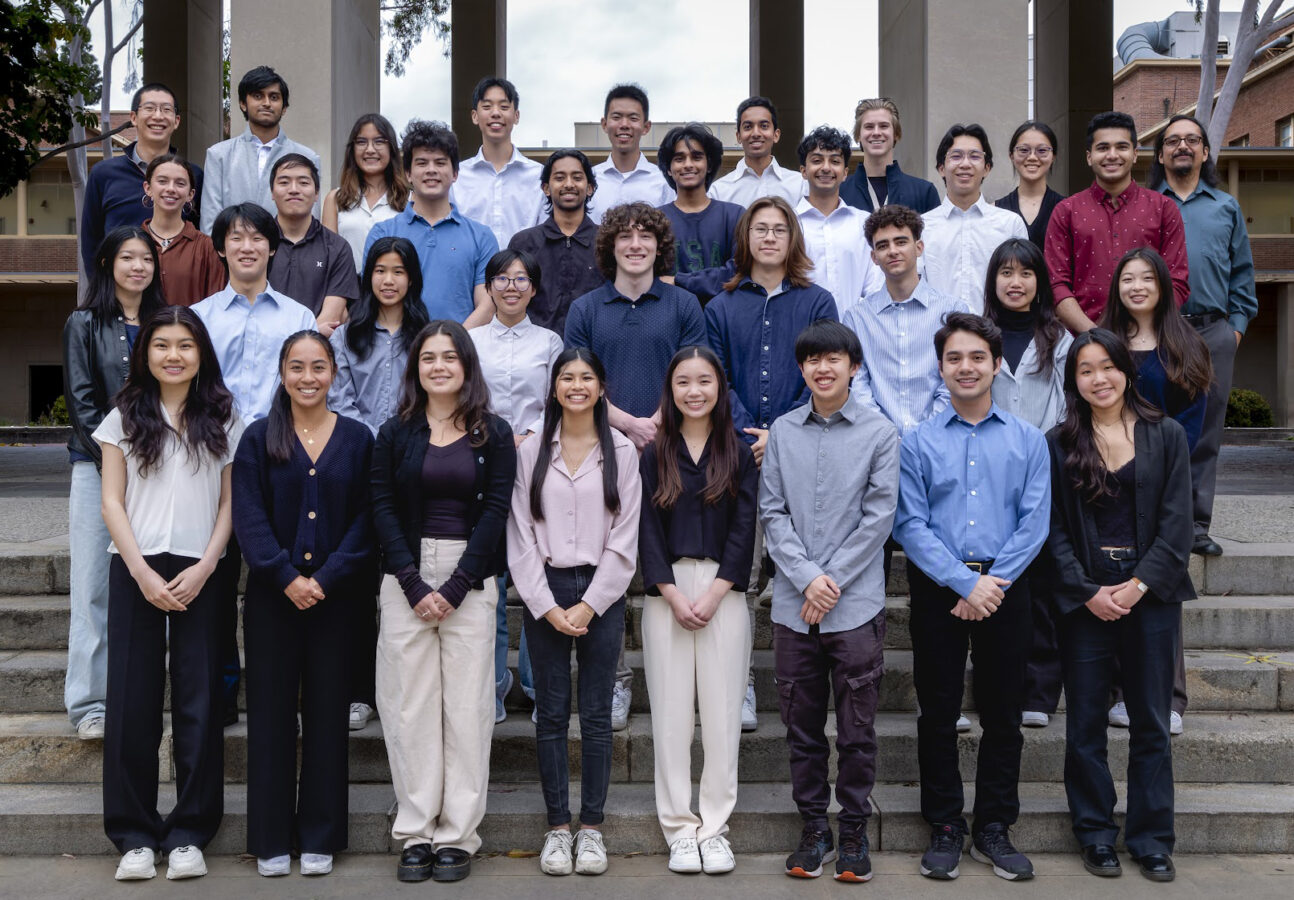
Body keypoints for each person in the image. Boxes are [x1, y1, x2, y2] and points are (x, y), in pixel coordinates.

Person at [894, 312, 1050, 882]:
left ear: (995, 364)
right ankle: (943, 824)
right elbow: (909, 524)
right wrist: (964, 583)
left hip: (1008, 586)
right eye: (955, 358)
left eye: (977, 357)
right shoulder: (917, 441)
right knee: (937, 711)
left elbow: (1035, 524)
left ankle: (993, 826)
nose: (966, 367)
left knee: (1004, 712)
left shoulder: (1028, 439)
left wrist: (991, 584)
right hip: (939, 587)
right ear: (941, 367)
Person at [97, 307, 242, 882]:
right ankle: (133, 834)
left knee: (200, 701)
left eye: (185, 344)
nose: (174, 355)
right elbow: (111, 501)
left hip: (200, 568)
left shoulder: (223, 416)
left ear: (201, 352)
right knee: (131, 702)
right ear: (146, 354)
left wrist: (209, 563)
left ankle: (188, 832)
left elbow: (231, 502)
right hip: (135, 566)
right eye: (162, 345)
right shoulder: (123, 416)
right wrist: (141, 571)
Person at [371, 321, 516, 884]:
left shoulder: (493, 433)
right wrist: (411, 582)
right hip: (403, 572)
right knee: (409, 706)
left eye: (449, 357)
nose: (438, 366)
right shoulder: (395, 433)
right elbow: (382, 505)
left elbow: (496, 510)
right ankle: (415, 830)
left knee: (467, 709)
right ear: (416, 368)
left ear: (466, 366)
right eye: (428, 357)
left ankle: (457, 834)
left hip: (471, 579)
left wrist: (456, 586)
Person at [1047, 329, 1194, 884]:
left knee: (1152, 722)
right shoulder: (1058, 443)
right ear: (1074, 382)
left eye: (1107, 367)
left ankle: (1152, 838)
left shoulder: (1168, 435)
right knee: (1084, 722)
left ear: (1126, 372)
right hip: (1086, 596)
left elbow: (1178, 523)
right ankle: (1094, 834)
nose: (1099, 378)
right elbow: (1053, 529)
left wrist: (1137, 587)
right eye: (1086, 370)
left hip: (1150, 596)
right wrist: (1087, 592)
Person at [233, 331, 375, 878]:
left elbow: (368, 518)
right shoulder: (256, 439)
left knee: (326, 717)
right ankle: (269, 837)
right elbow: (249, 516)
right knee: (270, 718)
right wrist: (285, 575)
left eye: (318, 367)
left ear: (334, 373)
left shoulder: (359, 439)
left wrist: (329, 575)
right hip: (273, 600)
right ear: (283, 373)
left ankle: (320, 834)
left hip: (338, 602)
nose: (308, 377)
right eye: (297, 367)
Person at [760, 320, 897, 882]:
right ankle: (814, 827)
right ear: (802, 368)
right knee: (803, 727)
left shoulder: (879, 433)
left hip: (855, 606)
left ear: (854, 367)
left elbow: (879, 516)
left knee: (857, 727)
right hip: (795, 608)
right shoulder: (783, 431)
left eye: (834, 359)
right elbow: (772, 512)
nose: (823, 368)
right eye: (812, 359)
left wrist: (829, 581)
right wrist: (806, 579)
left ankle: (856, 829)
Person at [565, 202, 704, 729]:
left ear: (658, 246)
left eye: (646, 236)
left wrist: (658, 423)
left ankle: (688, 681)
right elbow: (575, 384)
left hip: (673, 453)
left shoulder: (684, 304)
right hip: (604, 451)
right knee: (611, 572)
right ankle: (616, 684)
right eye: (625, 236)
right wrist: (630, 424)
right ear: (611, 246)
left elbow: (697, 376)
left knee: (671, 566)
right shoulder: (586, 309)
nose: (636, 244)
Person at [705, 195, 839, 731]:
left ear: (792, 239)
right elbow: (713, 378)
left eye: (778, 229)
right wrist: (750, 434)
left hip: (805, 452)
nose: (768, 238)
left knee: (801, 567)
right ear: (745, 239)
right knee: (738, 573)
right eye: (758, 229)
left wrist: (780, 433)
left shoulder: (817, 301)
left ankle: (807, 681)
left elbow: (827, 371)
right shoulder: (721, 306)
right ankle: (740, 683)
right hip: (734, 455)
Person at [505, 348, 641, 878]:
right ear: (554, 386)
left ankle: (592, 830)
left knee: (599, 716)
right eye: (567, 377)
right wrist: (545, 604)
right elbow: (519, 534)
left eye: (587, 377)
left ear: (602, 387)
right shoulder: (531, 449)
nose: (577, 385)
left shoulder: (623, 451)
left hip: (602, 592)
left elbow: (626, 537)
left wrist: (589, 603)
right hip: (547, 586)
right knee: (552, 714)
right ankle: (557, 828)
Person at [638, 346, 757, 875]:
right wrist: (668, 591)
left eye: (704, 380)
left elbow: (746, 526)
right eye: (683, 381)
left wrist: (714, 593)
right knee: (670, 716)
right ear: (671, 389)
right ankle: (679, 828)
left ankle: (714, 826)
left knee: (723, 713)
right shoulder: (653, 452)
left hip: (723, 592)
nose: (694, 390)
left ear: (720, 388)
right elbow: (642, 529)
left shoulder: (738, 451)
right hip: (667, 592)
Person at [1099, 247, 1211, 735]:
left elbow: (1192, 422)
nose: (1137, 286)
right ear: (1117, 287)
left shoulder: (1185, 343)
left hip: (1166, 481)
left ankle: (1170, 696)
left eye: (1147, 278)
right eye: (1128, 279)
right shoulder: (1103, 342)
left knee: (1161, 583)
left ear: (1163, 285)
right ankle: (1122, 693)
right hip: (1110, 480)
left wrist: (1159, 462)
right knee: (1117, 581)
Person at [62, 226, 167, 742]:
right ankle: (89, 704)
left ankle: (143, 693)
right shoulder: (82, 323)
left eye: (146, 258)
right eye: (127, 257)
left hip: (156, 471)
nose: (138, 267)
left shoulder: (163, 324)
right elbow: (82, 404)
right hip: (96, 468)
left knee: (152, 578)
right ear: (107, 265)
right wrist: (114, 459)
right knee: (93, 587)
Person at [329, 236, 429, 732]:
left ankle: (406, 688)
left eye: (398, 270)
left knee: (405, 580)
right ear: (368, 277)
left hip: (415, 472)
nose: (388, 280)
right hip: (358, 469)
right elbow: (340, 402)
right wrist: (379, 444)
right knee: (357, 585)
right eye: (380, 270)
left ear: (411, 278)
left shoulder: (427, 337)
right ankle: (357, 691)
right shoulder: (346, 338)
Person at [1150, 114, 1257, 557]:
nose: (1182, 147)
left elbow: (1243, 275)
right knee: (1153, 428)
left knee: (1205, 434)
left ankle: (1195, 525)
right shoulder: (1147, 205)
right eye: (1173, 140)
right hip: (1157, 330)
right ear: (1159, 154)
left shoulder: (1226, 207)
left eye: (1192, 140)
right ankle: (1154, 524)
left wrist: (1234, 328)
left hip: (1213, 331)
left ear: (1206, 152)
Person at [469, 249, 564, 723]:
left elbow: (560, 398)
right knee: (490, 574)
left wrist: (531, 435)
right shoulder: (471, 340)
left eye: (520, 279)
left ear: (533, 288)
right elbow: (462, 396)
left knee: (533, 571)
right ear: (488, 288)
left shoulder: (549, 341)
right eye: (501, 279)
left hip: (534, 460)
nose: (510, 287)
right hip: (480, 460)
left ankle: (533, 677)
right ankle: (491, 682)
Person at [982, 238, 1073, 729]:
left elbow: (1066, 409)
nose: (1015, 282)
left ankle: (1039, 691)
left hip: (1048, 474)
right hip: (987, 478)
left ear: (1040, 282)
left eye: (1026, 273)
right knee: (996, 580)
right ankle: (995, 685)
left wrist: (1033, 451)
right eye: (1006, 273)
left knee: (1040, 587)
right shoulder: (979, 337)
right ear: (993, 281)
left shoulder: (1061, 340)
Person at [1044, 111, 1189, 333]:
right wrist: (1095, 336)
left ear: (1135, 154)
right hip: (1083, 343)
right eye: (1102, 148)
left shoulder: (1163, 209)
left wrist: (1144, 331)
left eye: (1121, 147)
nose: (1112, 155)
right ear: (1089, 156)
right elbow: (1056, 284)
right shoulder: (1066, 211)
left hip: (1151, 342)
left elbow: (1176, 281)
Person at [843, 204, 971, 435]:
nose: (892, 251)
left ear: (918, 247)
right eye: (883, 245)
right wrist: (886, 436)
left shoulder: (952, 311)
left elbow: (954, 379)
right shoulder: (856, 318)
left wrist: (924, 435)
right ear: (873, 257)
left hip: (941, 438)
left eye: (901, 242)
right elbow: (859, 385)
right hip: (878, 443)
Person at [365, 120, 498, 328]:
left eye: (440, 162)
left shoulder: (481, 236)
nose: (431, 170)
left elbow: (487, 304)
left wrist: (449, 344)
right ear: (408, 173)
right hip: (398, 353)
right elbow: (373, 300)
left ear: (455, 173)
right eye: (421, 163)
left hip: (459, 351)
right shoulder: (383, 233)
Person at [193, 203, 318, 423]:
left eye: (257, 238)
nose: (247, 247)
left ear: (272, 248)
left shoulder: (300, 317)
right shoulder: (199, 317)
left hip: (278, 439)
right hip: (211, 438)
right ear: (221, 248)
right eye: (237, 238)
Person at [81, 83, 203, 274]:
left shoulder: (193, 176)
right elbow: (90, 241)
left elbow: (200, 236)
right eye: (150, 108)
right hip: (119, 291)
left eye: (166, 110)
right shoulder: (103, 174)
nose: (158, 116)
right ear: (133, 117)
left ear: (176, 120)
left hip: (177, 289)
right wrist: (101, 295)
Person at [200, 65, 320, 233]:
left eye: (274, 97)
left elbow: (311, 222)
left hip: (290, 255)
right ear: (243, 103)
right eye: (258, 96)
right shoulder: (219, 155)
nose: (266, 103)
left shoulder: (307, 157)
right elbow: (210, 222)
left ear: (284, 107)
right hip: (231, 255)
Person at [919, 124, 1028, 308]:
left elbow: (1022, 286)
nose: (965, 164)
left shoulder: (1010, 224)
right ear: (941, 168)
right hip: (939, 333)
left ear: (986, 168)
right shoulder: (922, 227)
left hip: (995, 333)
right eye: (956, 156)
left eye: (975, 156)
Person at [508, 149, 604, 337]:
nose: (569, 184)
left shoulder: (607, 241)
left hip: (594, 349)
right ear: (546, 188)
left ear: (590, 187)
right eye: (559, 178)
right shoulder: (524, 242)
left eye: (577, 178)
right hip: (534, 350)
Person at [794, 125, 884, 317]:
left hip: (855, 335)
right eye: (817, 160)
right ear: (803, 171)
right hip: (802, 336)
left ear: (844, 173)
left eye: (834, 161)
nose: (826, 168)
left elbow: (875, 287)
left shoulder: (864, 223)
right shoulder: (788, 224)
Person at [267, 153, 359, 335]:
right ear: (272, 192)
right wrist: (313, 330)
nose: (294, 189)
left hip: (318, 353)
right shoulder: (259, 243)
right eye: (284, 182)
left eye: (303, 182)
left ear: (317, 193)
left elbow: (332, 316)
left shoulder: (337, 248)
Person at [451, 76, 545, 247]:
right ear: (475, 116)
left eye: (504, 107)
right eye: (487, 106)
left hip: (525, 272)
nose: (495, 113)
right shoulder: (457, 177)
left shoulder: (539, 176)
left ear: (516, 116)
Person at [655, 123, 743, 292]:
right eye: (679, 159)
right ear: (669, 169)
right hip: (670, 315)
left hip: (722, 316)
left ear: (709, 165)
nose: (688, 164)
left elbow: (738, 272)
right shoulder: (654, 220)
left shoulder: (735, 216)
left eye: (696, 157)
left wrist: (679, 280)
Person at [322, 113, 408, 272]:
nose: (370, 150)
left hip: (393, 289)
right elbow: (328, 256)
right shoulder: (335, 199)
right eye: (361, 142)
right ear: (352, 149)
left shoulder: (410, 200)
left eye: (379, 142)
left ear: (391, 149)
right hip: (348, 290)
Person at [142, 154, 226, 306]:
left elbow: (217, 306)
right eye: (162, 181)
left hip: (191, 328)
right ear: (148, 188)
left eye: (180, 184)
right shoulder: (131, 243)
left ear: (190, 194)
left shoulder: (207, 248)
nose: (171, 189)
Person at [587, 84, 674, 223]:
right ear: (604, 124)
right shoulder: (589, 180)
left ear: (646, 127)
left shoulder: (664, 182)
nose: (624, 125)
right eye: (616, 117)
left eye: (633, 118)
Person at [839, 98, 939, 214]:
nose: (876, 133)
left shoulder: (924, 192)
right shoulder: (840, 192)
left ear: (896, 134)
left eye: (883, 126)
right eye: (869, 127)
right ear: (858, 136)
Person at [707, 96, 804, 207]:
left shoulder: (799, 186)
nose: (756, 133)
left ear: (776, 135)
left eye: (764, 126)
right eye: (748, 127)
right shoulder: (719, 192)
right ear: (738, 136)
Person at [996, 120, 1065, 249]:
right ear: (1011, 155)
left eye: (1042, 150)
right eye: (1024, 150)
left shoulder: (1067, 209)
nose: (1032, 157)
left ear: (1053, 156)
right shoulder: (995, 210)